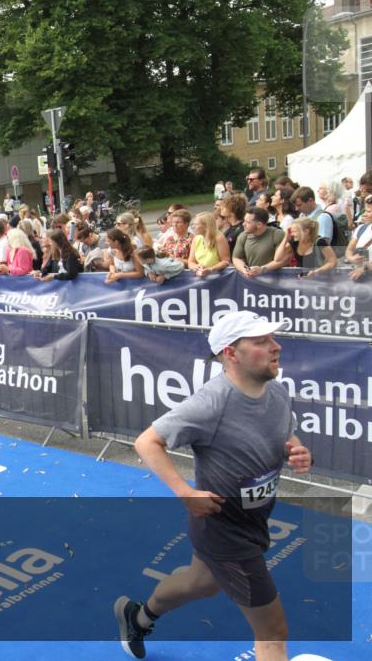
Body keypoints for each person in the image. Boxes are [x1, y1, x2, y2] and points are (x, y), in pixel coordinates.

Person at [116, 311, 312, 661]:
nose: (276, 346)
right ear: (231, 353)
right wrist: (185, 492)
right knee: (273, 633)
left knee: (200, 584)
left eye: (273, 338)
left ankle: (139, 616)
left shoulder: (277, 392)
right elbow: (147, 442)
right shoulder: (211, 402)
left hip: (253, 520)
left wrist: (293, 449)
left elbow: (286, 432)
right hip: (225, 532)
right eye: (262, 341)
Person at [267, 217, 338, 277]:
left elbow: (332, 261)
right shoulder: (294, 243)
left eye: (294, 231)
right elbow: (277, 258)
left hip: (321, 281)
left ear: (306, 231)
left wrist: (317, 272)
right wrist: (285, 239)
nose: (292, 234)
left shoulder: (319, 242)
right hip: (302, 281)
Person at [232, 208, 285, 278]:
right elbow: (236, 258)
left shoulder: (277, 234)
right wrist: (244, 269)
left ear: (259, 225)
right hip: (252, 280)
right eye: (244, 221)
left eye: (248, 222)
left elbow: (283, 259)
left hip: (276, 280)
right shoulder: (243, 236)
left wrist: (262, 269)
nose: (243, 224)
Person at [187, 212, 231, 278]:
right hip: (200, 277)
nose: (193, 227)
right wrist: (196, 267)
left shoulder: (219, 238)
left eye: (196, 224)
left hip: (217, 277)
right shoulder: (196, 238)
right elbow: (190, 262)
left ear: (206, 226)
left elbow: (226, 261)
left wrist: (211, 269)